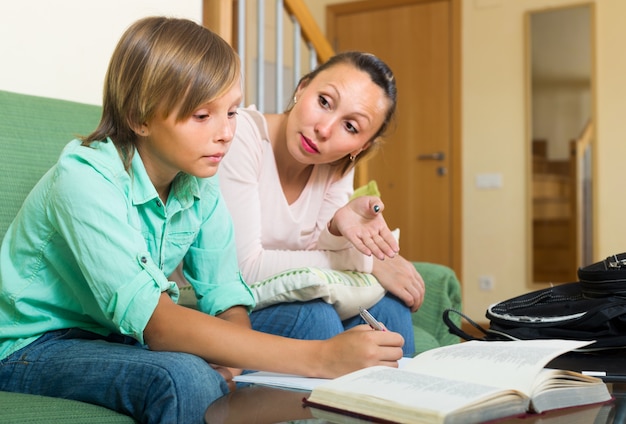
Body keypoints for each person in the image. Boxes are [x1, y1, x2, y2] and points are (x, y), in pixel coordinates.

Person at [0, 17, 405, 424]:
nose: (227, 132)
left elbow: (226, 296)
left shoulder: (198, 186)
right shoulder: (84, 178)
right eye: (202, 115)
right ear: (139, 117)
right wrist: (321, 358)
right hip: (36, 343)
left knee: (311, 318)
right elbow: (157, 323)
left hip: (119, 334)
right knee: (183, 377)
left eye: (230, 111)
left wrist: (232, 363)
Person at [219, 51, 425, 356]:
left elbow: (322, 250)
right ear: (302, 88)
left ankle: (397, 403)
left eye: (351, 127)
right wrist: (367, 262)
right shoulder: (241, 136)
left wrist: (337, 226)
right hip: (224, 304)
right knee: (314, 316)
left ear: (361, 146)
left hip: (273, 295)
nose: (324, 129)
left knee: (389, 309)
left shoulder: (335, 164)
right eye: (324, 102)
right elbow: (245, 268)